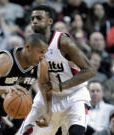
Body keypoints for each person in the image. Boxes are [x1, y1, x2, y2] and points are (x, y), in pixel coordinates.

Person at [19, 5, 96, 135]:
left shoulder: (63, 42)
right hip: (48, 97)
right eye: (32, 19)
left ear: (50, 21)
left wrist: (61, 86)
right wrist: (48, 112)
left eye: (39, 18)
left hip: (74, 96)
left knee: (76, 132)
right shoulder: (31, 46)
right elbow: (42, 82)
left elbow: (90, 70)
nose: (34, 21)